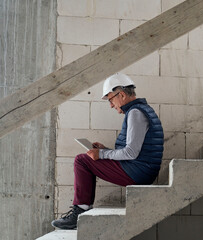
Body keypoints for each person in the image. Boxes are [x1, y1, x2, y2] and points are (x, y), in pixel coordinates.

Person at [51, 72, 164, 229]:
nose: (111, 105)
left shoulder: (135, 113)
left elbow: (131, 153)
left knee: (82, 160)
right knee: (87, 159)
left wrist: (101, 154)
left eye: (111, 99)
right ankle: (82, 208)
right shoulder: (140, 110)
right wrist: (105, 150)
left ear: (122, 95)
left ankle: (80, 211)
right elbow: (133, 151)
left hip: (139, 172)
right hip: (140, 168)